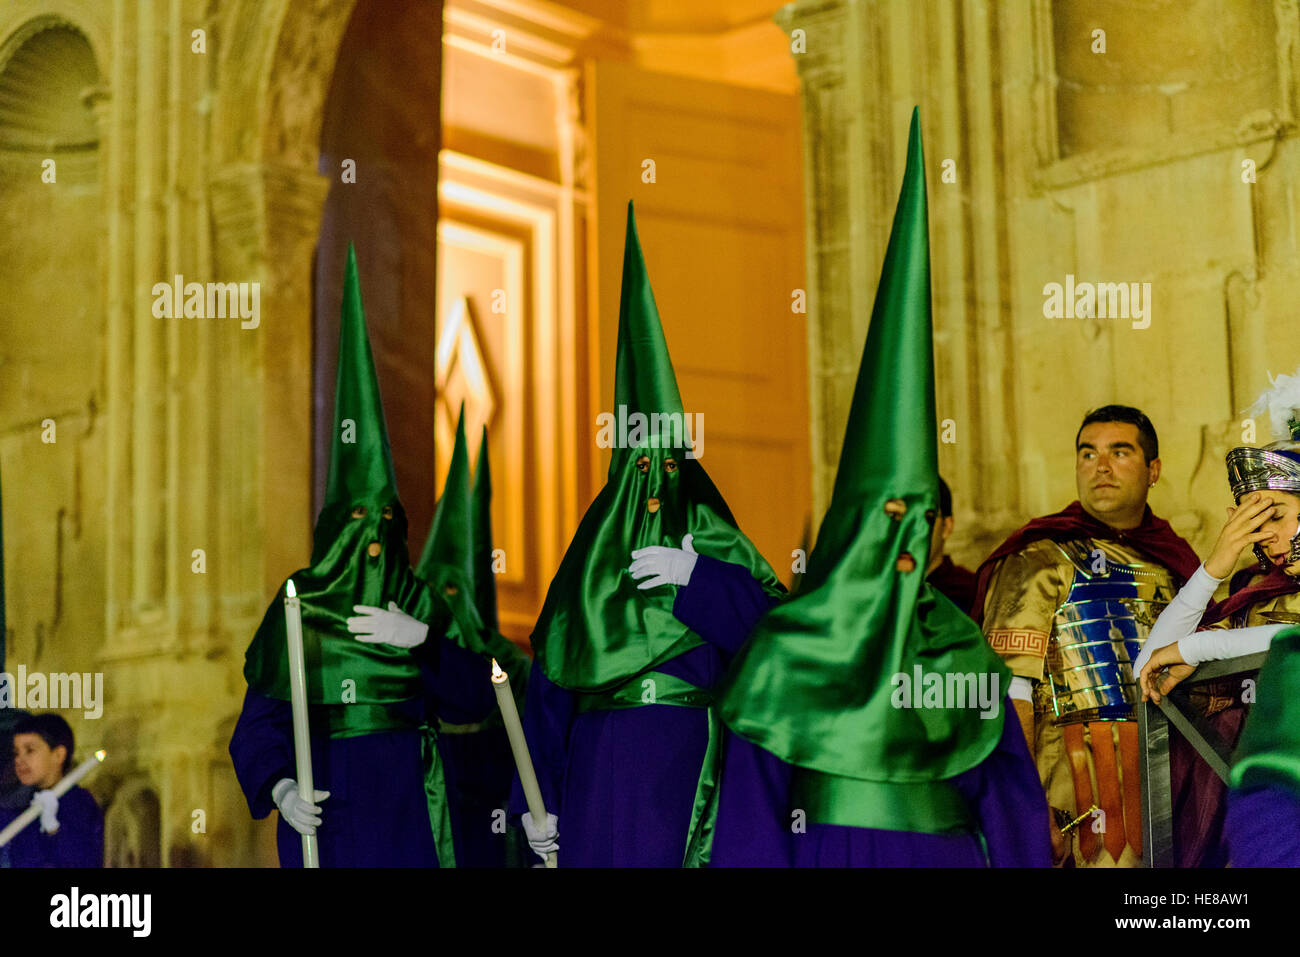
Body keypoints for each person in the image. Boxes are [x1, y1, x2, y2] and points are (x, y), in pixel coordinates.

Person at [698, 109, 1050, 867]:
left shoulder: (965, 654)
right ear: (852, 523)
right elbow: (752, 818)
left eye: (922, 516)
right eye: (890, 513)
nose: (907, 535)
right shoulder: (785, 649)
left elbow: (1012, 807)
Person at [511, 202, 786, 867]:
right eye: (640, 466)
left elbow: (775, 640)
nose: (656, 484)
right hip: (601, 768)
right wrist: (536, 800)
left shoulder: (715, 538)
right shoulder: (591, 559)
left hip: (693, 765)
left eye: (669, 465)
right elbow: (548, 694)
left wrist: (702, 580)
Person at [229, 245, 494, 868]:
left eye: (384, 523)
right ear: (329, 530)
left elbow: (481, 698)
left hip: (411, 801)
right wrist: (281, 787)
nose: (370, 541)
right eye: (355, 521)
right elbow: (259, 723)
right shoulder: (299, 600)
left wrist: (424, 641)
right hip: (329, 802)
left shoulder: (421, 596)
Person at [972, 404, 1200, 867]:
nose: (1101, 467)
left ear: (1153, 469)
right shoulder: (1036, 559)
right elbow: (1004, 690)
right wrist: (1027, 807)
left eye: (1120, 452)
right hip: (1069, 786)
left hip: (1164, 779)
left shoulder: (1174, 563)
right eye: (1088, 453)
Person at [1134, 375, 1300, 864]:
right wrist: (1215, 566)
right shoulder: (1256, 593)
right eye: (1252, 523)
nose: (1261, 536)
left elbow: (1292, 642)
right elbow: (1148, 666)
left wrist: (1198, 649)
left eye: (1277, 516)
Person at [0, 713, 103, 868]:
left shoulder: (80, 805)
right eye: (16, 753)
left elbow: (84, 861)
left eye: (30, 750)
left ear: (58, 755)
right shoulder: (21, 805)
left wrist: (54, 829)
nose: (19, 760)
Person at [927, 477, 977, 615]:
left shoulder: (973, 594)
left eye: (927, 517)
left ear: (947, 527)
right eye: (896, 516)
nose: (913, 529)